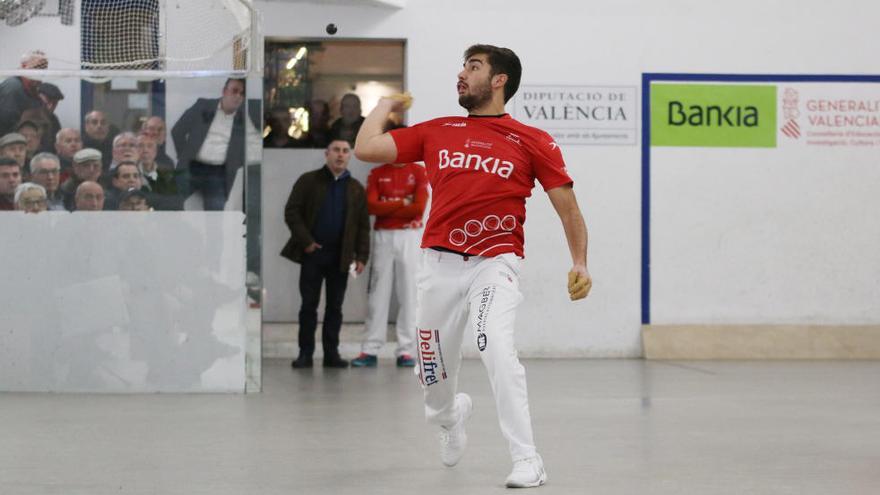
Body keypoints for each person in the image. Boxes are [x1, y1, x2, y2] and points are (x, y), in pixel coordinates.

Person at [354, 44, 592, 488]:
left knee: (495, 347)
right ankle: (449, 417)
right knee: (433, 377)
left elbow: (569, 209)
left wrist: (580, 262)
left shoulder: (532, 141)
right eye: (463, 65)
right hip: (438, 265)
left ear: (499, 80)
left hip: (495, 264)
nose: (461, 74)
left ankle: (528, 459)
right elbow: (365, 148)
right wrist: (383, 107)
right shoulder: (436, 131)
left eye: (473, 67)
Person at [281, 139, 371, 369]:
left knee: (335, 308)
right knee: (308, 306)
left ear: (349, 156)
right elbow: (292, 212)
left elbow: (362, 225)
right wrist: (307, 242)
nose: (340, 155)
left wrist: (361, 257)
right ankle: (305, 354)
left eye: (345, 151)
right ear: (326, 153)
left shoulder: (355, 188)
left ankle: (332, 354)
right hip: (314, 254)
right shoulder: (308, 181)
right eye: (336, 151)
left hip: (341, 257)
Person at [351, 159, 428, 368]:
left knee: (409, 293)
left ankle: (407, 351)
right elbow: (371, 206)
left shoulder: (419, 172)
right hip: (383, 236)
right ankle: (370, 349)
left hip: (410, 235)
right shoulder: (377, 173)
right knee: (378, 293)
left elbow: (418, 208)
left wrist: (388, 206)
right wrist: (403, 202)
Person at [171, 78, 261, 210]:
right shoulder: (204, 106)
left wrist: (236, 163)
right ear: (224, 91)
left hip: (219, 174)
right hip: (192, 167)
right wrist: (184, 156)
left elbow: (256, 145)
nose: (238, 96)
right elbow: (178, 130)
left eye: (242, 94)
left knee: (215, 218)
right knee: (170, 203)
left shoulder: (244, 117)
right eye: (234, 91)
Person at [0, 50, 47, 136]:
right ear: (23, 66)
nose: (40, 73)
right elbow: (5, 126)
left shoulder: (34, 90)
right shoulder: (13, 87)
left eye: (43, 69)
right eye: (36, 68)